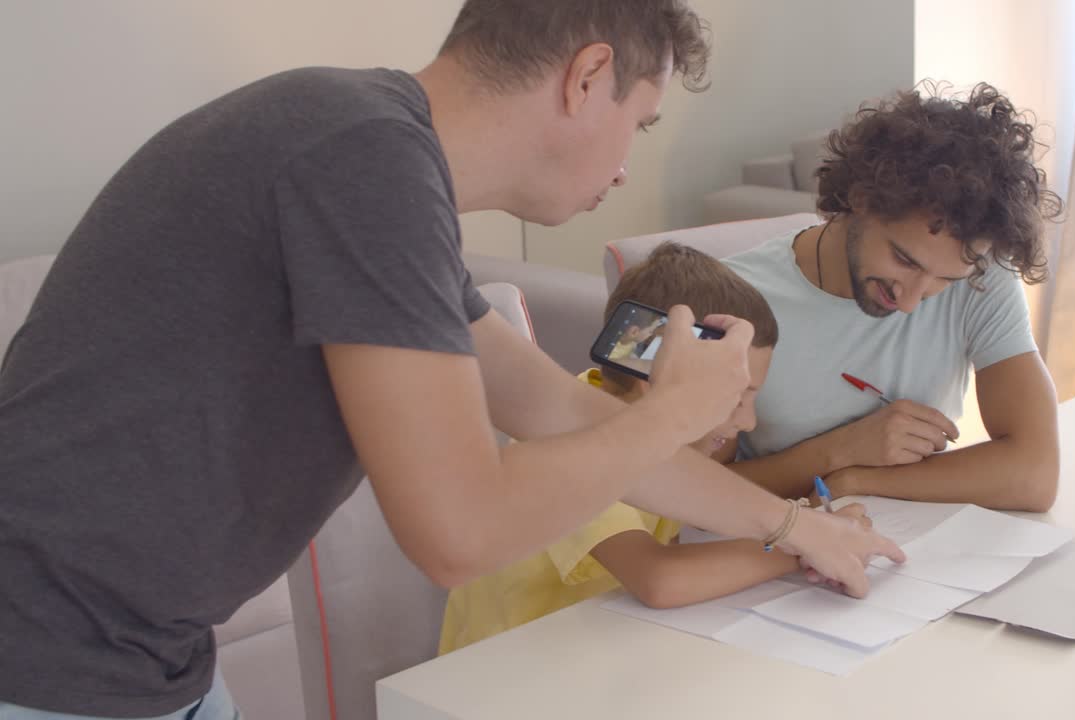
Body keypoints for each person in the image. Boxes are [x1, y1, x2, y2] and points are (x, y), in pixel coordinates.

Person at [0, 2, 901, 718]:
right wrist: (672, 409)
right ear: (588, 77)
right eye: (641, 120)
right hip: (48, 655)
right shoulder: (361, 157)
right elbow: (458, 535)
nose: (628, 165)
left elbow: (552, 405)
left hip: (143, 653)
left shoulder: (367, 153)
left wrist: (792, 530)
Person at [438, 243, 872, 654]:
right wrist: (805, 549)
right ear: (662, 377)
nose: (748, 421)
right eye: (737, 396)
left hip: (603, 647)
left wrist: (809, 528)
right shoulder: (579, 445)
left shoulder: (664, 439)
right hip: (507, 676)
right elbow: (659, 578)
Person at [723, 84, 1064, 513]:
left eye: (945, 279)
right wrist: (839, 452)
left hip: (904, 545)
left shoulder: (978, 276)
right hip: (764, 550)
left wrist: (859, 480)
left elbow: (1034, 474)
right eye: (904, 260)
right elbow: (686, 492)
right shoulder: (736, 298)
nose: (911, 303)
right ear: (861, 198)